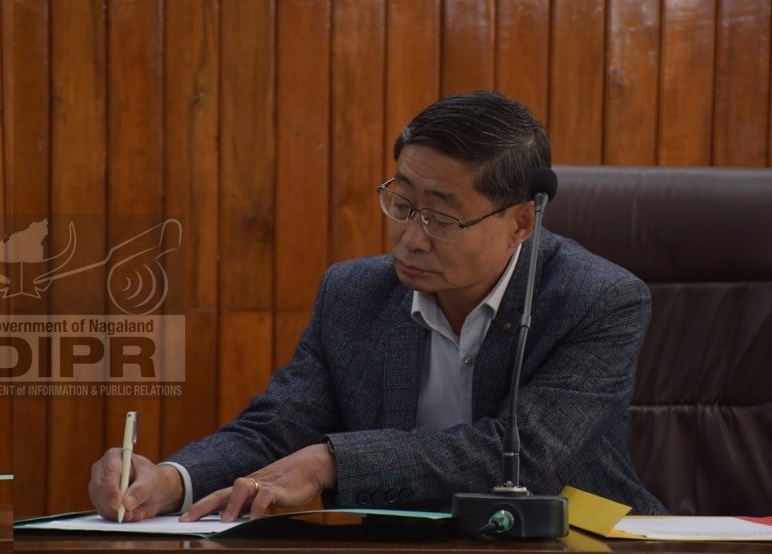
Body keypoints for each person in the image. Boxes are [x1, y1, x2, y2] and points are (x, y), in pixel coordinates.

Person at [88, 91, 666, 522]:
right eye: (403, 202)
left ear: (520, 222)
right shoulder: (354, 294)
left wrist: (332, 462)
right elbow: (278, 429)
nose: (412, 238)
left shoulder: (599, 300)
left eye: (442, 216)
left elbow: (527, 457)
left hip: (576, 541)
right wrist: (172, 478)